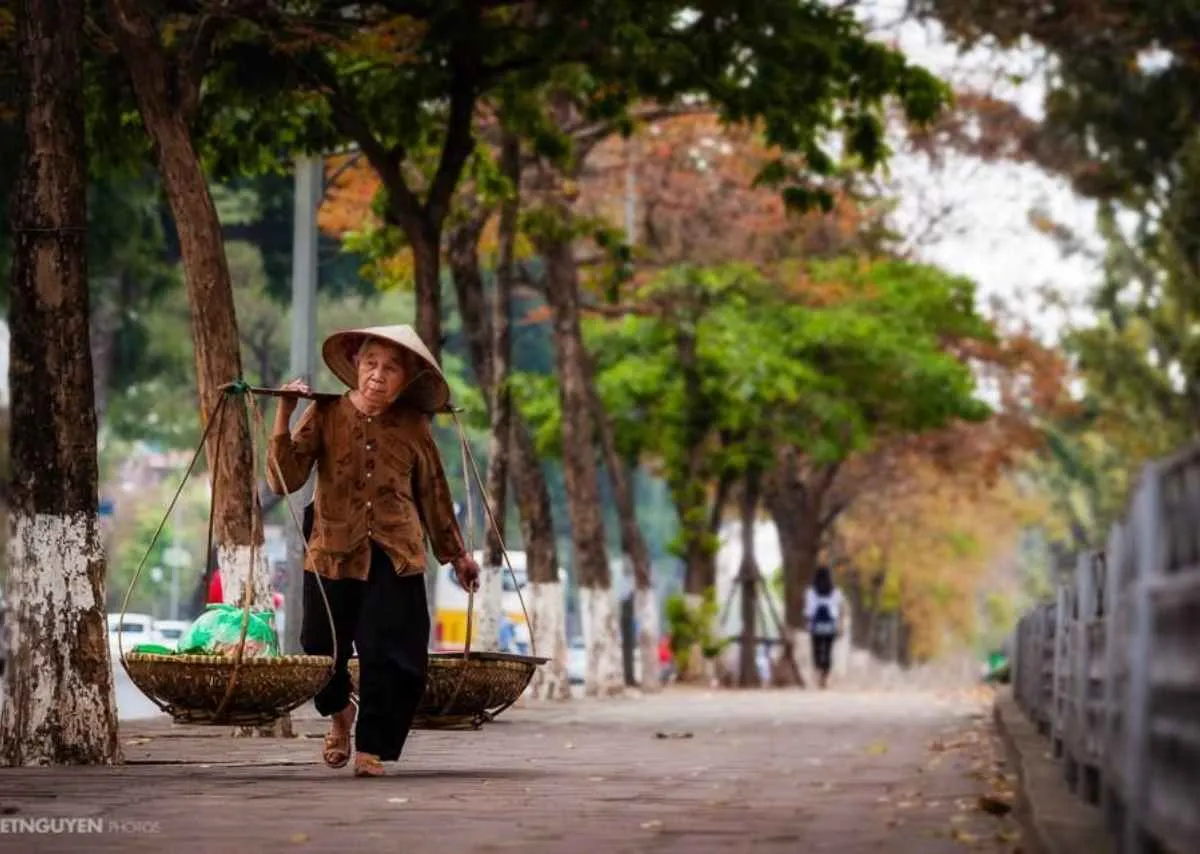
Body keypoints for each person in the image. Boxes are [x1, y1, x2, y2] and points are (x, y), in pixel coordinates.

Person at [267, 324, 480, 778]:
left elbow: (434, 495)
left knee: (393, 655)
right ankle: (340, 715)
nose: (378, 376)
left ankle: (372, 748)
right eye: (370, 364)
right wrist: (285, 412)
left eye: (390, 368)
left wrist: (456, 556)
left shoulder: (414, 425)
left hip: (395, 552)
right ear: (356, 367)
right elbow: (283, 479)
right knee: (320, 649)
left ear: (405, 379)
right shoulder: (325, 415)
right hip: (331, 549)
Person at [804, 565, 844, 690]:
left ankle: (818, 671)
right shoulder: (836, 592)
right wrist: (840, 625)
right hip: (830, 624)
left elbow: (809, 611)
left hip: (815, 625)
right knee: (828, 650)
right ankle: (825, 676)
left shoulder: (811, 592)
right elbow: (840, 609)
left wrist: (807, 623)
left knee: (816, 649)